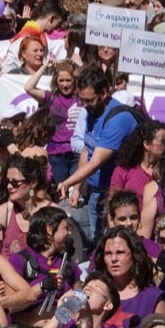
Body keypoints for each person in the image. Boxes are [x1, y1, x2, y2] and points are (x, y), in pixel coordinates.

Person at [59, 68, 142, 240]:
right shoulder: (92, 112)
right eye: (82, 100)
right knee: (99, 242)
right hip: (96, 192)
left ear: (104, 93)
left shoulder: (117, 119)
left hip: (116, 195)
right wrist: (77, 188)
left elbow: (96, 161)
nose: (84, 105)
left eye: (89, 100)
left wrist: (66, 183)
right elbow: (86, 149)